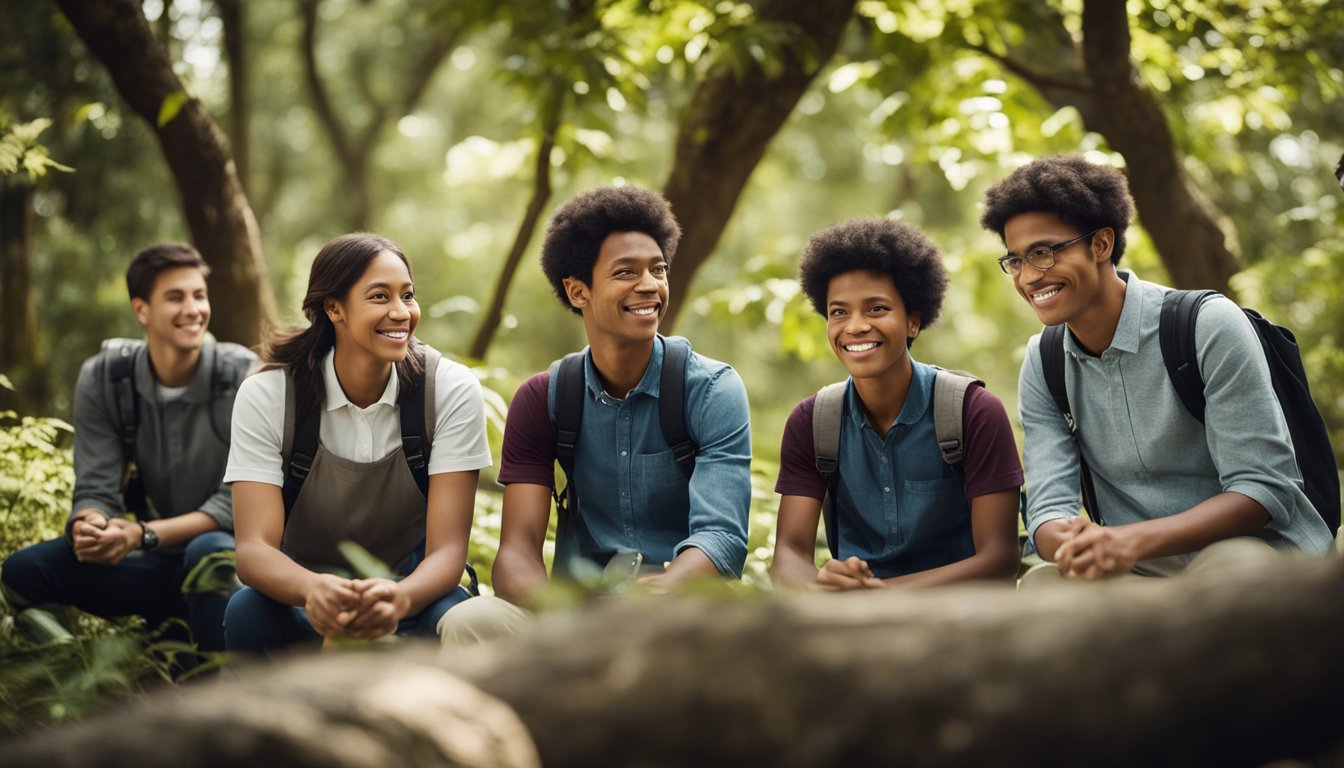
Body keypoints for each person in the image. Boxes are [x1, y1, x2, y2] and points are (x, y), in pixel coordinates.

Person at [980, 155, 1333, 581]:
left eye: (1043, 252)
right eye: (1015, 260)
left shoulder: (1207, 325)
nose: (1028, 277)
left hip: (1254, 550)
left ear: (1101, 245)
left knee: (1229, 578)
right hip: (1134, 564)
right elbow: (1047, 510)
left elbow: (1263, 490)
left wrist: (1131, 540)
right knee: (1042, 584)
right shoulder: (1044, 361)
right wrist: (1074, 542)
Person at [440, 185, 752, 643]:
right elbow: (516, 554)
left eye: (658, 270)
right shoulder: (544, 399)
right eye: (626, 272)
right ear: (578, 290)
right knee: (472, 620)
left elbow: (722, 538)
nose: (649, 285)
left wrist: (661, 594)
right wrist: (563, 617)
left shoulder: (710, 390)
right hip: (576, 622)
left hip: (683, 614)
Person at [223, 233, 490, 653]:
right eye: (380, 297)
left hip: (412, 592)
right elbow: (254, 550)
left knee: (453, 616)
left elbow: (448, 550)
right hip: (305, 595)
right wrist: (316, 591)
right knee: (246, 613)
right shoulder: (270, 395)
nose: (401, 312)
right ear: (333, 308)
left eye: (408, 295)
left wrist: (396, 600)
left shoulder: (449, 390)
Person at [1, 243, 256, 653]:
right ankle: (76, 683)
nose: (193, 309)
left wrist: (143, 534)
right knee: (24, 571)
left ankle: (214, 680)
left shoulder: (244, 376)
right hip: (156, 563)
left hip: (232, 565)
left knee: (210, 554)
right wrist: (91, 525)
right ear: (142, 311)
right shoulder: (105, 378)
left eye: (199, 295)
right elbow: (96, 487)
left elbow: (237, 504)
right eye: (175, 297)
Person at [770, 219, 1023, 590]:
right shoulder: (812, 422)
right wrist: (818, 588)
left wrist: (882, 597)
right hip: (851, 625)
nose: (854, 326)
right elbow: (789, 554)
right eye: (839, 312)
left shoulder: (973, 411)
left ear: (913, 323)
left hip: (961, 621)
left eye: (876, 309)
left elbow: (1000, 559)